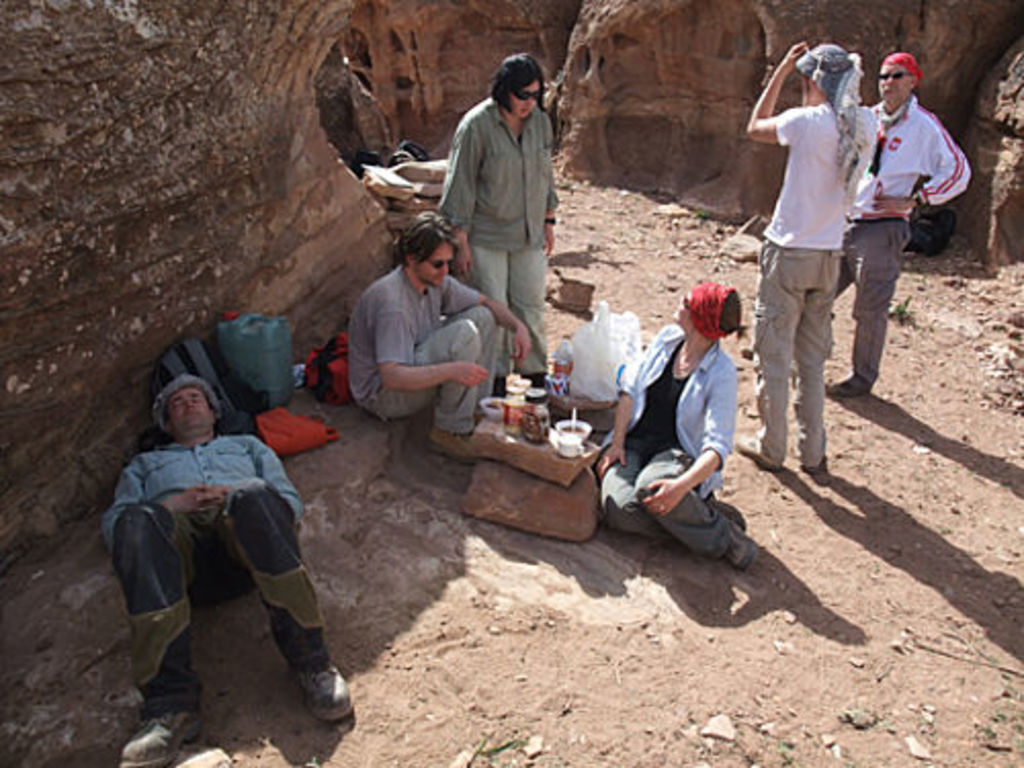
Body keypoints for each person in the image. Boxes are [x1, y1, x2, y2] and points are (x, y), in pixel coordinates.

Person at [104, 374, 351, 768]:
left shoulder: (247, 446)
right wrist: (174, 505)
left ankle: (313, 665)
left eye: (195, 397)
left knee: (255, 494)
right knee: (137, 520)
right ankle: (169, 707)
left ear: (214, 412)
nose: (187, 404)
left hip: (247, 549)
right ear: (166, 423)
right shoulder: (145, 464)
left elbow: (287, 500)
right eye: (177, 403)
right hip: (177, 564)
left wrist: (233, 494)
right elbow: (116, 524)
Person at [737, 42, 876, 480]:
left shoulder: (806, 124)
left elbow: (754, 125)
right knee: (812, 360)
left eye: (804, 79)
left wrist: (777, 71)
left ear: (815, 81)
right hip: (829, 253)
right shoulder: (864, 123)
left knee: (774, 353)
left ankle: (772, 446)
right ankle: (812, 452)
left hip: (789, 251)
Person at [829, 52, 970, 398]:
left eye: (897, 76)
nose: (888, 83)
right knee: (816, 293)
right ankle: (801, 358)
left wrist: (918, 200)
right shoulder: (867, 118)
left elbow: (958, 170)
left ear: (913, 80)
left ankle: (861, 379)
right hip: (844, 220)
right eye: (883, 76)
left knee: (870, 308)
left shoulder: (923, 125)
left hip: (883, 226)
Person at [596, 283, 758, 570]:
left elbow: (717, 447)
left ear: (699, 318)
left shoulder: (721, 373)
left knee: (652, 488)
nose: (679, 304)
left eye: (686, 302)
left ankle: (724, 539)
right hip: (634, 442)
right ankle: (700, 517)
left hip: (674, 453)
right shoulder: (668, 339)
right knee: (617, 509)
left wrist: (681, 486)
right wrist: (617, 442)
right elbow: (629, 389)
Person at [347, 211, 530, 460]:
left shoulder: (434, 280)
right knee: (463, 335)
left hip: (414, 361)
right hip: (383, 396)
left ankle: (475, 411)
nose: (445, 271)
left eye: (448, 263)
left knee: (483, 316)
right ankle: (449, 431)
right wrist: (452, 371)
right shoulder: (394, 304)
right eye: (438, 264)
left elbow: (486, 303)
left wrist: (518, 327)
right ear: (411, 259)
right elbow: (391, 377)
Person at [439, 52, 558, 389]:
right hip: (486, 236)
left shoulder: (540, 123)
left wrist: (549, 219)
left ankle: (535, 377)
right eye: (523, 95)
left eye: (536, 95)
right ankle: (497, 381)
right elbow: (459, 184)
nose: (530, 103)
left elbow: (545, 174)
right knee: (495, 309)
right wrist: (459, 241)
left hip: (529, 233)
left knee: (531, 306)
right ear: (505, 91)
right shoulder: (476, 125)